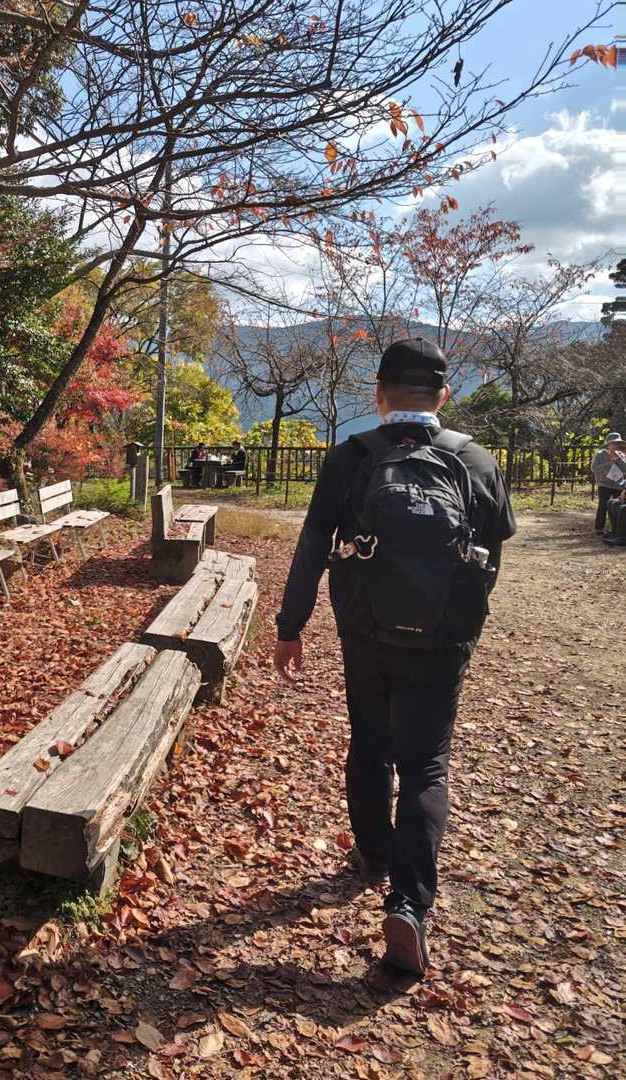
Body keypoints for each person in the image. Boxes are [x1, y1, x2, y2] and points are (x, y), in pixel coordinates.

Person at [273, 337, 515, 976]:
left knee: (370, 743)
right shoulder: (477, 460)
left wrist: (290, 626)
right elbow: (489, 561)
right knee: (427, 765)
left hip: (367, 631)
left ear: (378, 393)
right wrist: (461, 627)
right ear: (444, 395)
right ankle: (408, 905)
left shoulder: (352, 456)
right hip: (442, 640)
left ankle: (374, 854)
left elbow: (311, 546)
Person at [590, 434, 626, 535]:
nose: (616, 445)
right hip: (604, 484)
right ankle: (599, 529)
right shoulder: (600, 454)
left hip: (618, 485)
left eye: (618, 443)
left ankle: (616, 529)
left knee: (617, 507)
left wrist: (621, 460)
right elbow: (594, 468)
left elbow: (624, 470)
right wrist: (609, 463)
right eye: (613, 443)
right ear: (608, 444)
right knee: (602, 506)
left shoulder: (621, 454)